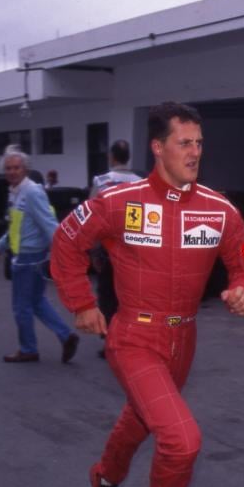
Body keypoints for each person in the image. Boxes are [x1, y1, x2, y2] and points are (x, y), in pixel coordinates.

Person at [51, 102, 244, 487]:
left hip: (183, 339)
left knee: (140, 421)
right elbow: (66, 242)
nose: (194, 152)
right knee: (182, 439)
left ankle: (104, 477)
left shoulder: (219, 208)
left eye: (199, 143)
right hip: (134, 336)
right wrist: (81, 302)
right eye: (184, 142)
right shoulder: (119, 202)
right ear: (158, 146)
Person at [0, 149, 79, 363]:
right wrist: (0, 247)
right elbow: (15, 226)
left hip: (29, 259)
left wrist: (65, 254)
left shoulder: (32, 192)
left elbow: (50, 225)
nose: (12, 172)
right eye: (8, 168)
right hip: (27, 256)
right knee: (37, 301)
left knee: (21, 307)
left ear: (25, 169)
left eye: (16, 167)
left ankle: (28, 349)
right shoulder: (15, 191)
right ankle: (66, 337)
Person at [89, 140, 141, 359]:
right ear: (128, 157)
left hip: (108, 250)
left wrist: (93, 250)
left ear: (111, 156)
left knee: (108, 296)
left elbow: (93, 218)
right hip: (134, 250)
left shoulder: (101, 182)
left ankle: (111, 341)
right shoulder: (141, 182)